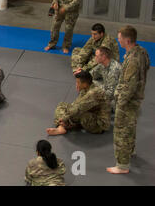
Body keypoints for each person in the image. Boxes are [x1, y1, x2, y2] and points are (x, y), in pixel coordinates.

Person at [107, 26, 150, 175]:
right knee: (131, 127)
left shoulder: (132, 60)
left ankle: (122, 165)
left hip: (128, 101)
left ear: (127, 40)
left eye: (120, 38)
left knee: (121, 131)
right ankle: (130, 151)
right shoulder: (141, 52)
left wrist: (119, 101)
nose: (118, 41)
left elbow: (128, 86)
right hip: (137, 99)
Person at [47, 71, 111, 136]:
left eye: (78, 82)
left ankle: (63, 126)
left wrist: (64, 118)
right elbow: (76, 104)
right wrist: (66, 116)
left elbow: (78, 108)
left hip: (99, 124)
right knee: (62, 106)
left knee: (81, 115)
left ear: (85, 84)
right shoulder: (86, 88)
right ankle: (64, 125)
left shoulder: (94, 93)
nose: (76, 84)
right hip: (90, 112)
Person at [90, 46, 121, 110]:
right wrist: (82, 73)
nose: (95, 58)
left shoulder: (114, 70)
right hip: (108, 87)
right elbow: (92, 74)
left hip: (116, 97)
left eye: (96, 56)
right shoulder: (102, 64)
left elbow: (110, 94)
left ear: (103, 57)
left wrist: (96, 87)